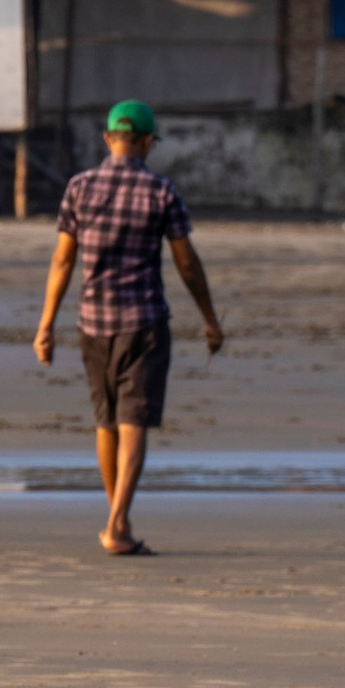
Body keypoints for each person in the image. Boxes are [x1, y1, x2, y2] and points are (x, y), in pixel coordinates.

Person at [34, 99, 224, 557]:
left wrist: (46, 325)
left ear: (108, 139)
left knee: (106, 422)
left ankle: (117, 516)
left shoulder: (79, 187)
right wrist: (209, 319)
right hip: (145, 322)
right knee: (134, 420)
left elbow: (63, 259)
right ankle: (118, 522)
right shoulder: (160, 191)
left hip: (92, 323)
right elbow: (187, 264)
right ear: (144, 142)